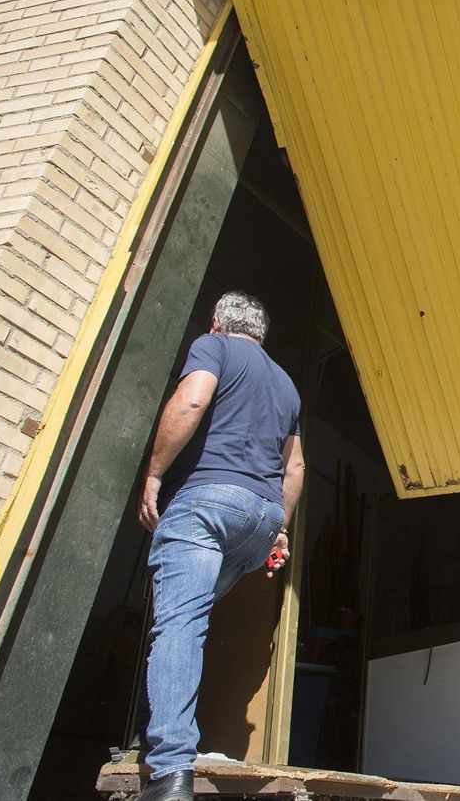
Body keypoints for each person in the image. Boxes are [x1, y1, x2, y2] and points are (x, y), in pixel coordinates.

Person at [134, 291, 304, 801]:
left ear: (216, 321)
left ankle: (169, 769)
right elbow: (295, 466)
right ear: (261, 332)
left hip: (206, 503)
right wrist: (279, 529)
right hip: (261, 516)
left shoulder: (214, 346)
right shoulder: (286, 383)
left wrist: (154, 474)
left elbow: (192, 400)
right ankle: (163, 730)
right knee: (189, 618)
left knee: (179, 625)